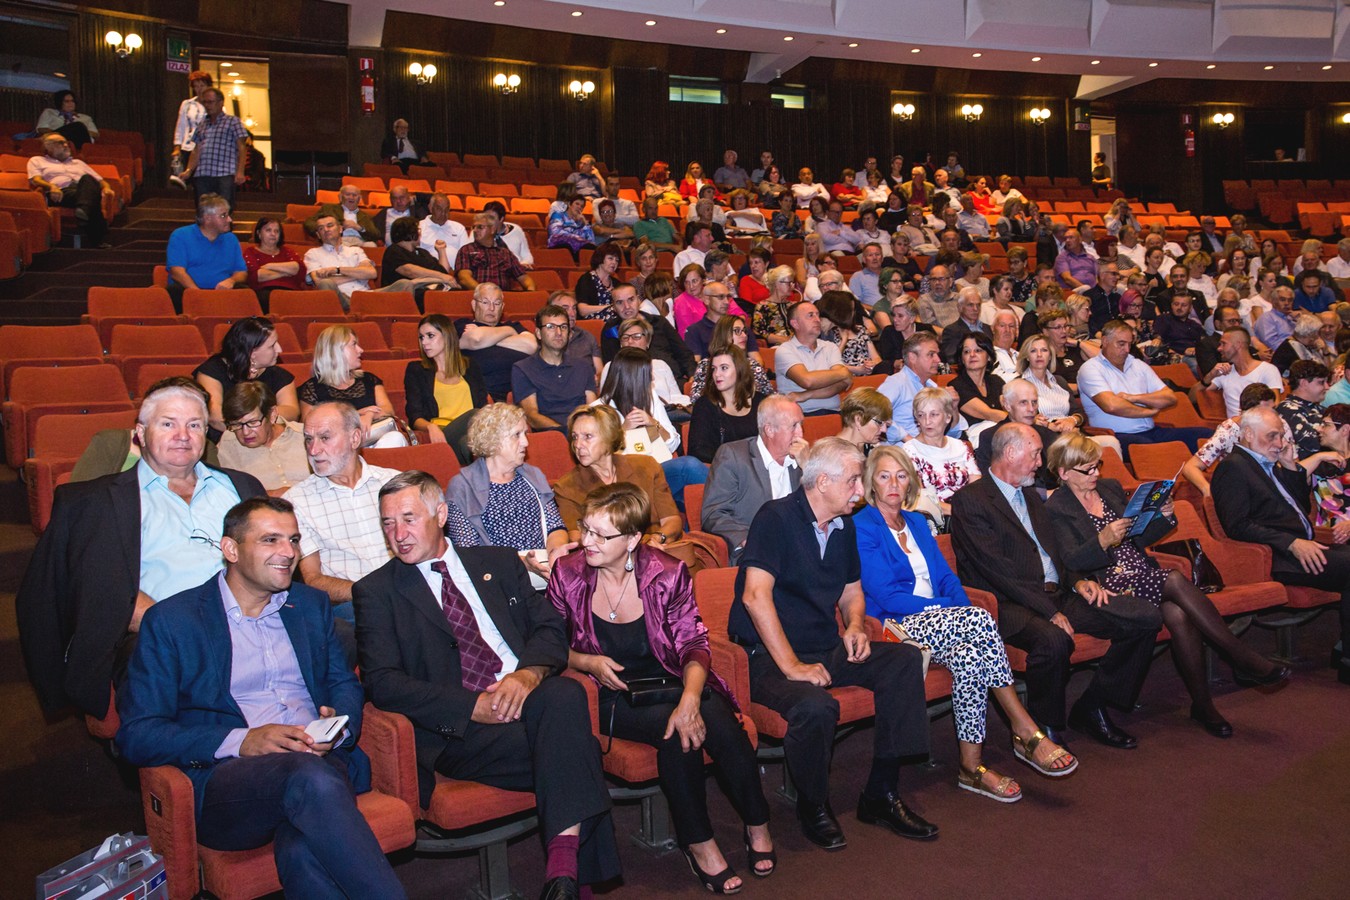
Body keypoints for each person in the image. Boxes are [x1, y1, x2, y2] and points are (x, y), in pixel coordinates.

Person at [116, 497, 407, 898]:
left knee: (302, 842)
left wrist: (337, 726)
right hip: (230, 782)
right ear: (231, 550)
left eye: (293, 540)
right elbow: (137, 734)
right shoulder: (173, 621)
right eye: (270, 540)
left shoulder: (310, 604)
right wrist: (243, 740)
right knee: (307, 781)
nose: (288, 553)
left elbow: (343, 683)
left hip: (323, 760)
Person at [354, 471, 620, 898]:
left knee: (563, 693)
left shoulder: (497, 561)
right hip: (462, 730)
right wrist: (468, 706)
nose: (398, 534)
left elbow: (550, 628)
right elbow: (383, 684)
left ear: (440, 514)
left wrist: (528, 675)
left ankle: (564, 880)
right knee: (578, 747)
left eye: (408, 518)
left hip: (528, 700)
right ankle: (571, 875)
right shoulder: (375, 591)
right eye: (388, 523)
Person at [549, 483, 774, 892]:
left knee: (719, 721)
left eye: (603, 534)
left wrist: (690, 698)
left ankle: (757, 822)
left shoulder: (667, 573)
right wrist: (586, 662)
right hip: (611, 694)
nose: (588, 541)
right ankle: (701, 844)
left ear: (633, 539)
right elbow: (545, 644)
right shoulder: (567, 574)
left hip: (671, 680)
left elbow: (693, 643)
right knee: (676, 733)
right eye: (587, 529)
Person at [728, 437, 936, 850]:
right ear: (822, 482)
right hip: (768, 656)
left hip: (824, 646)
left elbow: (851, 591)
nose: (861, 491)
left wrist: (856, 625)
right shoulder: (776, 518)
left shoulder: (843, 525)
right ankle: (813, 804)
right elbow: (755, 596)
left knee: (904, 660)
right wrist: (791, 666)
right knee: (815, 705)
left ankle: (881, 792)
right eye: (855, 481)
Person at [17, 378, 265, 716]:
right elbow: (103, 593)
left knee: (336, 631)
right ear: (140, 433)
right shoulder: (96, 502)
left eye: (194, 425)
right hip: (164, 633)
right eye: (168, 424)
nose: (183, 435)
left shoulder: (244, 487)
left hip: (258, 621)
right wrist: (193, 630)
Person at [857, 447, 1076, 800]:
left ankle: (970, 767)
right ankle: (1024, 727)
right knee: (977, 618)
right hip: (896, 627)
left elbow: (946, 577)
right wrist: (951, 610)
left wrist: (956, 609)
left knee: (972, 656)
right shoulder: (862, 527)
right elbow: (886, 596)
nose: (894, 483)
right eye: (884, 476)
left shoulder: (915, 522)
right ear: (870, 483)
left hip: (945, 621)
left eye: (900, 475)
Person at [1045, 433, 1289, 738]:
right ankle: (1239, 655)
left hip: (1138, 571)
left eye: (1098, 466)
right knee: (1173, 578)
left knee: (1178, 613)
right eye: (1088, 469)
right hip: (1107, 581)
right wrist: (1102, 540)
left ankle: (1203, 705)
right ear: (1064, 472)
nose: (1096, 474)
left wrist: (1162, 518)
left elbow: (1140, 538)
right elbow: (1069, 560)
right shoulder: (1057, 507)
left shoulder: (1109, 488)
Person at [950, 424, 1162, 749]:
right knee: (1054, 640)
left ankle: (1094, 705)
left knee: (1144, 618)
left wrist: (1079, 582)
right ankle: (1042, 729)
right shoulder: (972, 501)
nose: (1039, 462)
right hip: (1009, 604)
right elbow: (998, 571)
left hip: (1057, 594)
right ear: (1011, 453)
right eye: (1035, 454)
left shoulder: (1031, 496)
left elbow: (1057, 554)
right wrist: (1049, 611)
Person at [283, 402, 399, 623]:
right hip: (353, 605)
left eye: (325, 438)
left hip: (406, 592)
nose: (314, 450)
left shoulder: (395, 484)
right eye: (308, 439)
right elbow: (313, 579)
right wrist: (372, 593)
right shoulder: (296, 502)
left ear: (355, 439)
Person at [443, 404, 569, 587]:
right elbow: (470, 551)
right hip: (495, 582)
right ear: (493, 440)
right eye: (517, 435)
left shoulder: (533, 475)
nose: (526, 442)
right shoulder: (462, 487)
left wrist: (556, 552)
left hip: (543, 572)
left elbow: (555, 526)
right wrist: (519, 563)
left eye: (525, 434)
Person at [554, 405, 685, 549]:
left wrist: (658, 538)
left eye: (588, 437)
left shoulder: (646, 467)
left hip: (657, 549)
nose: (578, 445)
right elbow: (576, 537)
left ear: (609, 437)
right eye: (575, 437)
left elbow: (672, 520)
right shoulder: (566, 487)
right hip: (607, 561)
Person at [1077, 320, 1213, 457]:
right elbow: (1111, 405)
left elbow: (1170, 397)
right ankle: (1171, 478)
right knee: (1157, 451)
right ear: (1105, 341)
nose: (1127, 350)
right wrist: (1148, 412)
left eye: (1130, 344)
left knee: (1208, 436)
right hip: (1118, 436)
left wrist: (1133, 398)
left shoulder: (1137, 365)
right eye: (1121, 344)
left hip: (1151, 431)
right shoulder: (1091, 368)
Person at [298, 325, 407, 448]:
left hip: (372, 441)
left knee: (395, 438)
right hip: (335, 448)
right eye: (353, 344)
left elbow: (388, 410)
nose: (360, 350)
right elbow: (310, 427)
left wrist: (369, 415)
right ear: (336, 351)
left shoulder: (368, 379)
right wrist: (357, 415)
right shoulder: (312, 388)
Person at [194, 316, 300, 438]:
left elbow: (292, 412)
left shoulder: (280, 376)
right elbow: (215, 416)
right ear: (252, 352)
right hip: (223, 441)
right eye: (272, 346)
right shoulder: (211, 372)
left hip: (268, 440)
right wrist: (256, 421)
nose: (279, 349)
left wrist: (249, 421)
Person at [404, 313, 487, 460]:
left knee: (466, 444)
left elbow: (482, 402)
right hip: (444, 433)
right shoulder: (417, 370)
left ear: (447, 336)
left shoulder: (469, 366)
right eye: (421, 337)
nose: (424, 342)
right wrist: (431, 427)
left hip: (473, 434)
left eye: (430, 336)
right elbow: (414, 415)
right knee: (476, 413)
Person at [1179, 384, 1286, 497]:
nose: (1273, 416)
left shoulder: (1279, 425)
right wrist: (1207, 490)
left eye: (1273, 409)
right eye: (1266, 411)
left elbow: (1291, 463)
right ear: (1248, 413)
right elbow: (1190, 467)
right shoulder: (1228, 430)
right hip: (1243, 487)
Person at [513, 305, 598, 432]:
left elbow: (592, 409)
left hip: (585, 433)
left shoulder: (583, 366)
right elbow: (532, 416)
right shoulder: (522, 368)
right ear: (538, 333)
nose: (559, 333)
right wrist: (568, 433)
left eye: (563, 327)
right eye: (551, 327)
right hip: (551, 438)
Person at [217, 382, 310, 494]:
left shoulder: (305, 435)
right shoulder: (229, 443)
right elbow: (230, 493)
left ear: (272, 415)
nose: (245, 432)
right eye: (236, 424)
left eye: (253, 422)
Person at [903, 387, 981, 517]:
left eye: (934, 414)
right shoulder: (909, 451)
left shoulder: (961, 446)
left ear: (948, 417)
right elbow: (920, 499)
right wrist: (960, 513)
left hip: (968, 514)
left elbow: (977, 487)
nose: (927, 421)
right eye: (921, 415)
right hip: (934, 519)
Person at [26, 133, 114, 248]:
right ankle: (96, 237)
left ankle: (83, 210)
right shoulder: (37, 160)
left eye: (66, 142)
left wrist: (107, 188)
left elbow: (100, 181)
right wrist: (52, 187)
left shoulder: (79, 163)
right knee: (92, 199)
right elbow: (35, 180)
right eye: (61, 143)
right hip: (60, 193)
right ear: (48, 147)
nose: (66, 145)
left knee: (87, 180)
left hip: (82, 190)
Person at [878, 332, 968, 445]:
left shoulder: (934, 388)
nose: (938, 360)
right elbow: (873, 412)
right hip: (901, 454)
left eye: (937, 354)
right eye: (931, 354)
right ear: (912, 357)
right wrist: (905, 437)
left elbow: (954, 435)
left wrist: (953, 409)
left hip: (932, 450)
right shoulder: (896, 383)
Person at [455, 283, 539, 402]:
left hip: (521, 393)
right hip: (484, 394)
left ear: (502, 306)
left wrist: (490, 337)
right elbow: (476, 339)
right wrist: (510, 332)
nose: (492, 308)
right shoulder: (462, 325)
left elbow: (532, 345)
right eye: (485, 302)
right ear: (474, 305)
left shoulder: (513, 326)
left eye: (497, 303)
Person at [165, 193, 246, 308]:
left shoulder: (231, 239)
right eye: (223, 216)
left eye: (228, 215)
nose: (229, 219)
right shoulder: (181, 235)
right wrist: (199, 294)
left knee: (245, 291)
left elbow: (241, 272)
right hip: (189, 291)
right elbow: (176, 272)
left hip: (222, 291)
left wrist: (231, 281)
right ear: (207, 218)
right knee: (174, 291)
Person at [687, 345, 763, 465]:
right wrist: (735, 461)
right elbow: (697, 450)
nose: (717, 374)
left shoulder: (761, 402)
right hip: (723, 470)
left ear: (739, 369)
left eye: (724, 368)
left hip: (759, 468)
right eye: (714, 369)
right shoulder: (705, 405)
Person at [775, 301, 852, 414]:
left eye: (817, 315)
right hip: (801, 416)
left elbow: (844, 383)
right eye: (810, 315)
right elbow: (807, 381)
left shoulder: (830, 347)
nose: (817, 319)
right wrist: (844, 373)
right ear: (795, 324)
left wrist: (806, 395)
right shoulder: (785, 350)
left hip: (834, 413)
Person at [182, 88, 248, 208]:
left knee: (224, 208)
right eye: (205, 102)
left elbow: (242, 147)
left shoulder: (232, 121)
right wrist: (189, 170)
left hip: (225, 173)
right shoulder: (202, 124)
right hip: (203, 173)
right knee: (203, 210)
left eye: (210, 102)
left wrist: (240, 171)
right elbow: (196, 150)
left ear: (221, 102)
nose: (207, 105)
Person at [1196, 326, 1284, 417]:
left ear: (1238, 345)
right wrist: (1210, 375)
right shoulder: (1225, 372)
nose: (1219, 348)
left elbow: (1274, 407)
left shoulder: (1268, 370)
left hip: (1260, 425)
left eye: (1223, 344)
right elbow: (1193, 397)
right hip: (1234, 428)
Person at [688, 314, 773, 402]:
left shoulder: (752, 365)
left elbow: (769, 399)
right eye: (737, 331)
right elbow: (696, 401)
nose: (744, 335)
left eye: (744, 331)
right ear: (723, 334)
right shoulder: (706, 366)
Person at [303, 214, 379, 309]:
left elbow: (372, 273)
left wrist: (337, 270)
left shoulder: (356, 250)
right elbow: (320, 282)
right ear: (318, 235)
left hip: (367, 295)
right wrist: (357, 274)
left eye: (330, 225)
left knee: (402, 284)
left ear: (340, 229)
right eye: (321, 228)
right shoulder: (312, 254)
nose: (326, 230)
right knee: (326, 283)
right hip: (342, 298)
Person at [381, 216, 458, 299]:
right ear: (410, 233)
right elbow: (409, 271)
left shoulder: (422, 253)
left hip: (434, 290)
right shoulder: (394, 251)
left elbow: (443, 271)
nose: (420, 233)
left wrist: (441, 250)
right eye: (418, 230)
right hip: (407, 295)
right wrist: (441, 277)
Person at [243, 217, 306, 299]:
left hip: (291, 292)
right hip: (264, 293)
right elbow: (257, 276)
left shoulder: (287, 251)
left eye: (276, 231)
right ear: (259, 233)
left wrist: (269, 266)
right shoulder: (251, 252)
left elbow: (298, 268)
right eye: (268, 230)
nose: (273, 234)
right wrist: (286, 272)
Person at [171, 71, 212, 185]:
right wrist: (177, 147)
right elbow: (180, 126)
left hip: (206, 147)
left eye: (202, 86)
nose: (199, 89)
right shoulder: (187, 104)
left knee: (203, 179)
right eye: (196, 86)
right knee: (188, 177)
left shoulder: (214, 104)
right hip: (188, 146)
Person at [305, 184, 380, 246]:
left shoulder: (365, 215)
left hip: (360, 241)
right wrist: (327, 228)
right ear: (340, 197)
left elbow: (376, 235)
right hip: (340, 240)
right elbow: (309, 223)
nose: (351, 197)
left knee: (371, 245)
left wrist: (359, 228)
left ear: (359, 199)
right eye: (348, 194)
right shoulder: (329, 209)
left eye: (354, 195)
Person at [835, 387, 892, 455]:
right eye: (879, 422)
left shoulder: (871, 448)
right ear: (858, 420)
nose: (884, 430)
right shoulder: (833, 454)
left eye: (887, 425)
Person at [575, 243, 623, 319]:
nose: (614, 262)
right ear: (600, 258)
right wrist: (610, 307)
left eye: (617, 260)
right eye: (610, 258)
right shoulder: (587, 279)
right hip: (592, 323)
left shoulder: (617, 284)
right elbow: (582, 310)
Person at [419, 192, 470, 260]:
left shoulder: (459, 228)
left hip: (455, 269)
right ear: (430, 208)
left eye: (446, 210)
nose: (443, 213)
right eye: (439, 209)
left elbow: (465, 256)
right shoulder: (419, 227)